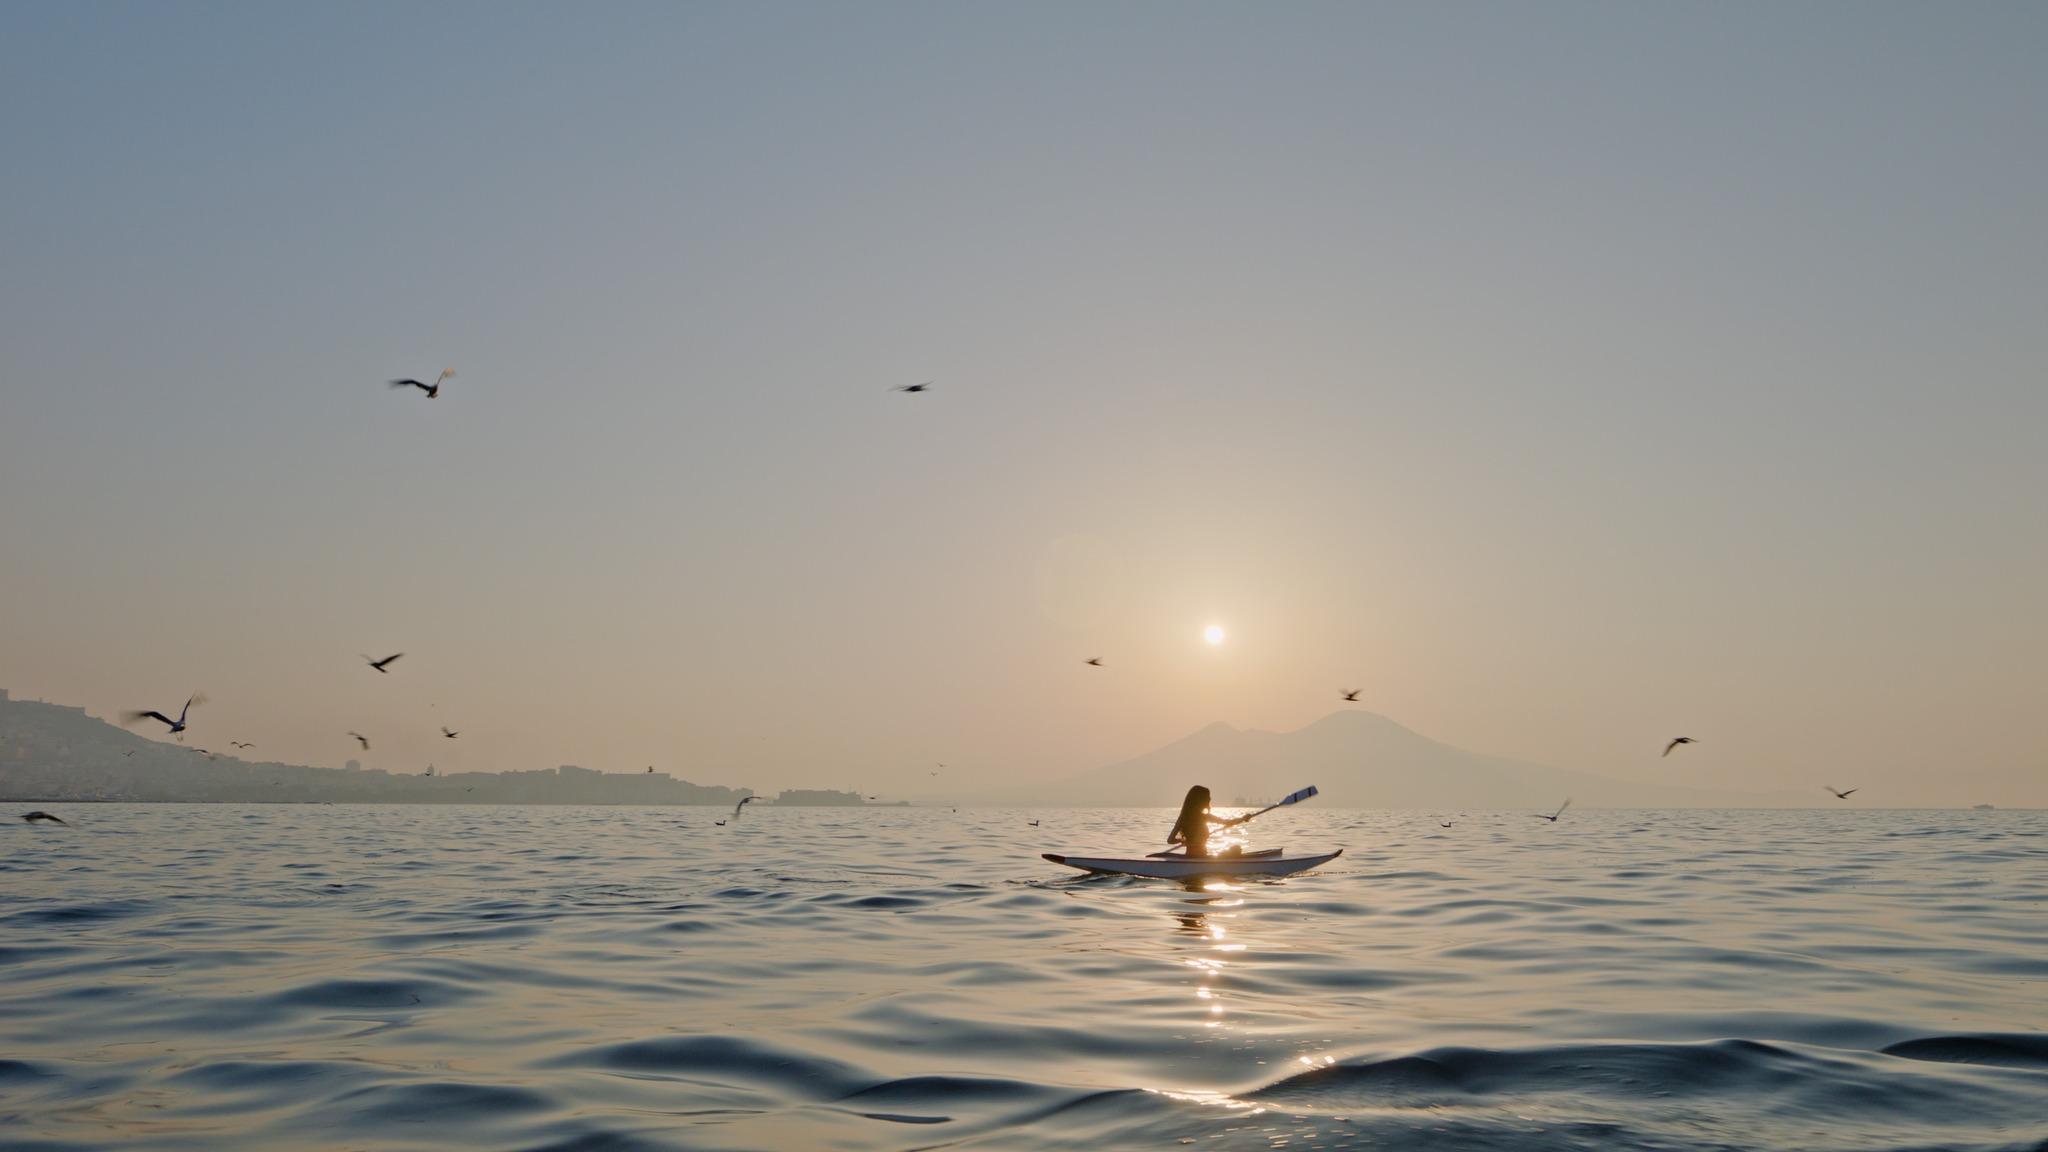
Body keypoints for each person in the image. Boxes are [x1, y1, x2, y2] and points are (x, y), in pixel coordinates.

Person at [1167, 785, 1243, 857]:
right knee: (1236, 848)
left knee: (1235, 849)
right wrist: (1243, 819)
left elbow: (1170, 840)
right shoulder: (1204, 817)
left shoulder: (1183, 818)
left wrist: (1181, 841)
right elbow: (1228, 822)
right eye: (1208, 797)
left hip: (1192, 856)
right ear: (1200, 800)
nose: (1210, 799)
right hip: (1199, 858)